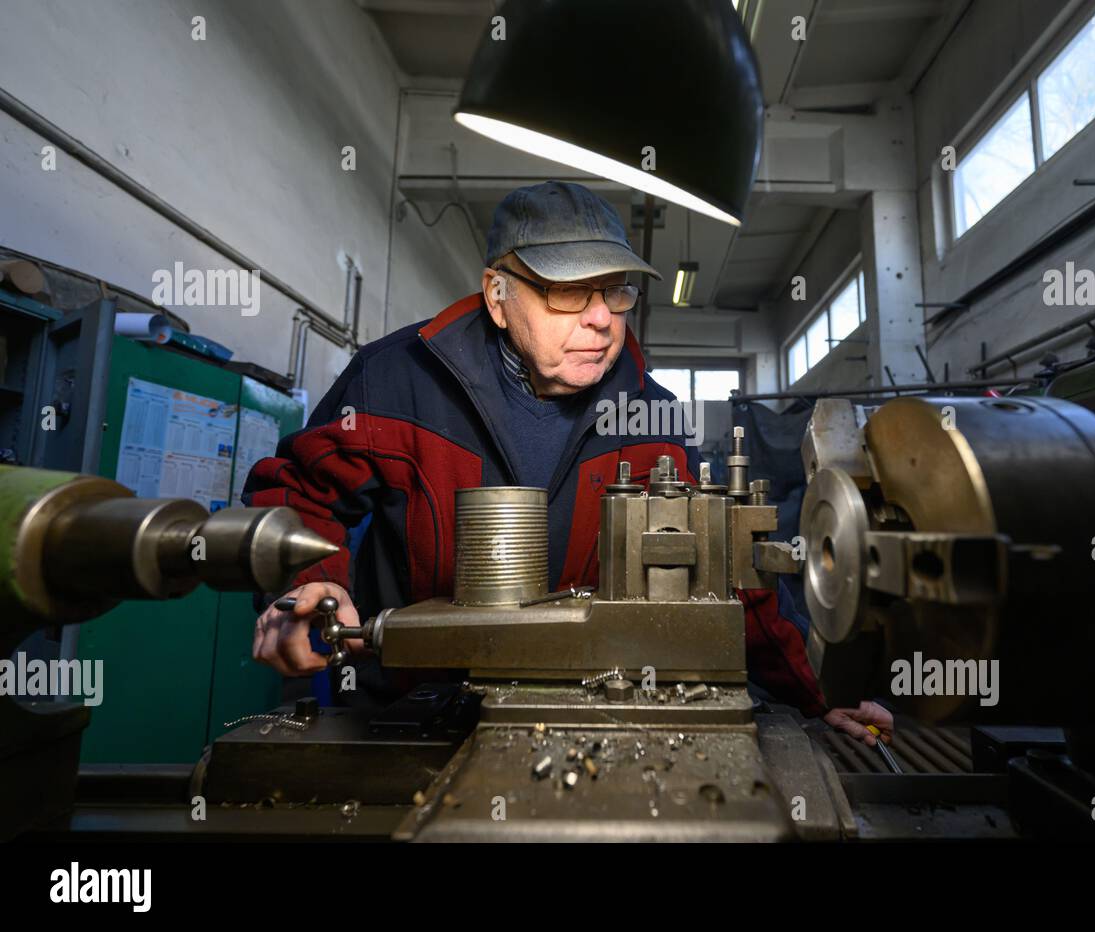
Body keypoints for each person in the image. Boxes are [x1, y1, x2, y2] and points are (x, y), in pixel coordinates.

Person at [244, 180, 892, 746]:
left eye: (615, 292)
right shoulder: (394, 384)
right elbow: (296, 492)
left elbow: (722, 576)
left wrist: (815, 702)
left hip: (581, 713)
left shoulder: (653, 423)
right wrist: (304, 585)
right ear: (498, 296)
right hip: (408, 716)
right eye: (567, 293)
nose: (602, 320)